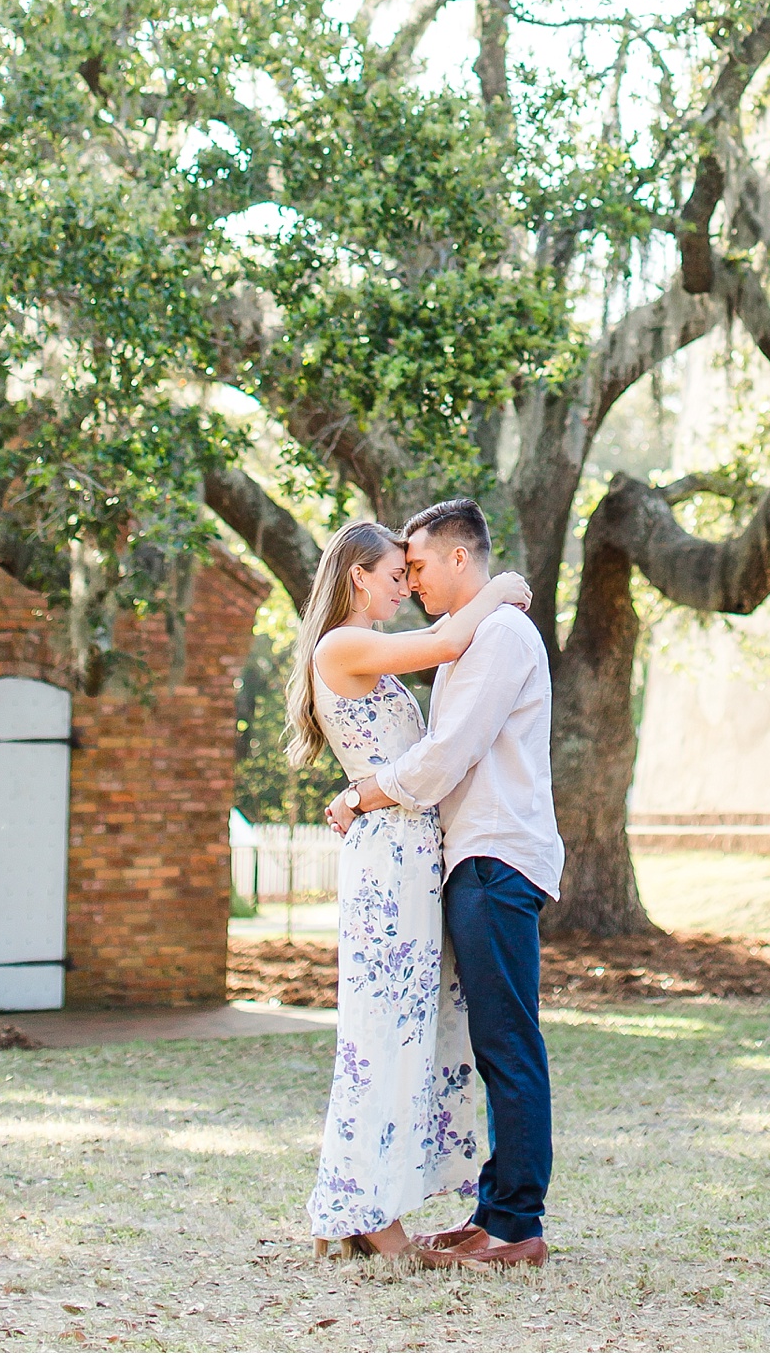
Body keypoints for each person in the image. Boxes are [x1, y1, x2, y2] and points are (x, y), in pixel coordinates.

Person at [285, 517, 533, 1261]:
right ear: (358, 576)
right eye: (396, 573)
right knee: (382, 1030)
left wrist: (361, 792)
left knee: (408, 1026)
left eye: (411, 570)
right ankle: (368, 1214)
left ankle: (374, 1203)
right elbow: (449, 643)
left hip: (408, 849)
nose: (407, 584)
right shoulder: (342, 643)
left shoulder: (367, 653)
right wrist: (501, 589)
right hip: (390, 857)